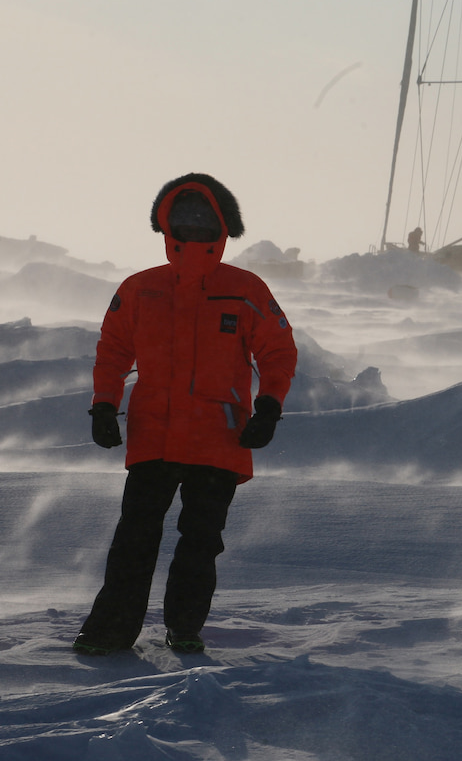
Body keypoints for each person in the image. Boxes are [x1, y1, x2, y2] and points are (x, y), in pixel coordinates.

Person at [73, 173, 297, 656]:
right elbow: (112, 351)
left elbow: (278, 350)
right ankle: (110, 630)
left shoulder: (245, 289)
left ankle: (185, 625)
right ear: (165, 222)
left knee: (201, 541)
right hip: (153, 434)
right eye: (183, 216)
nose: (192, 225)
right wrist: (104, 405)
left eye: (203, 216)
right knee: (134, 537)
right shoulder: (140, 288)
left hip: (220, 437)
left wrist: (270, 406)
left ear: (223, 225)